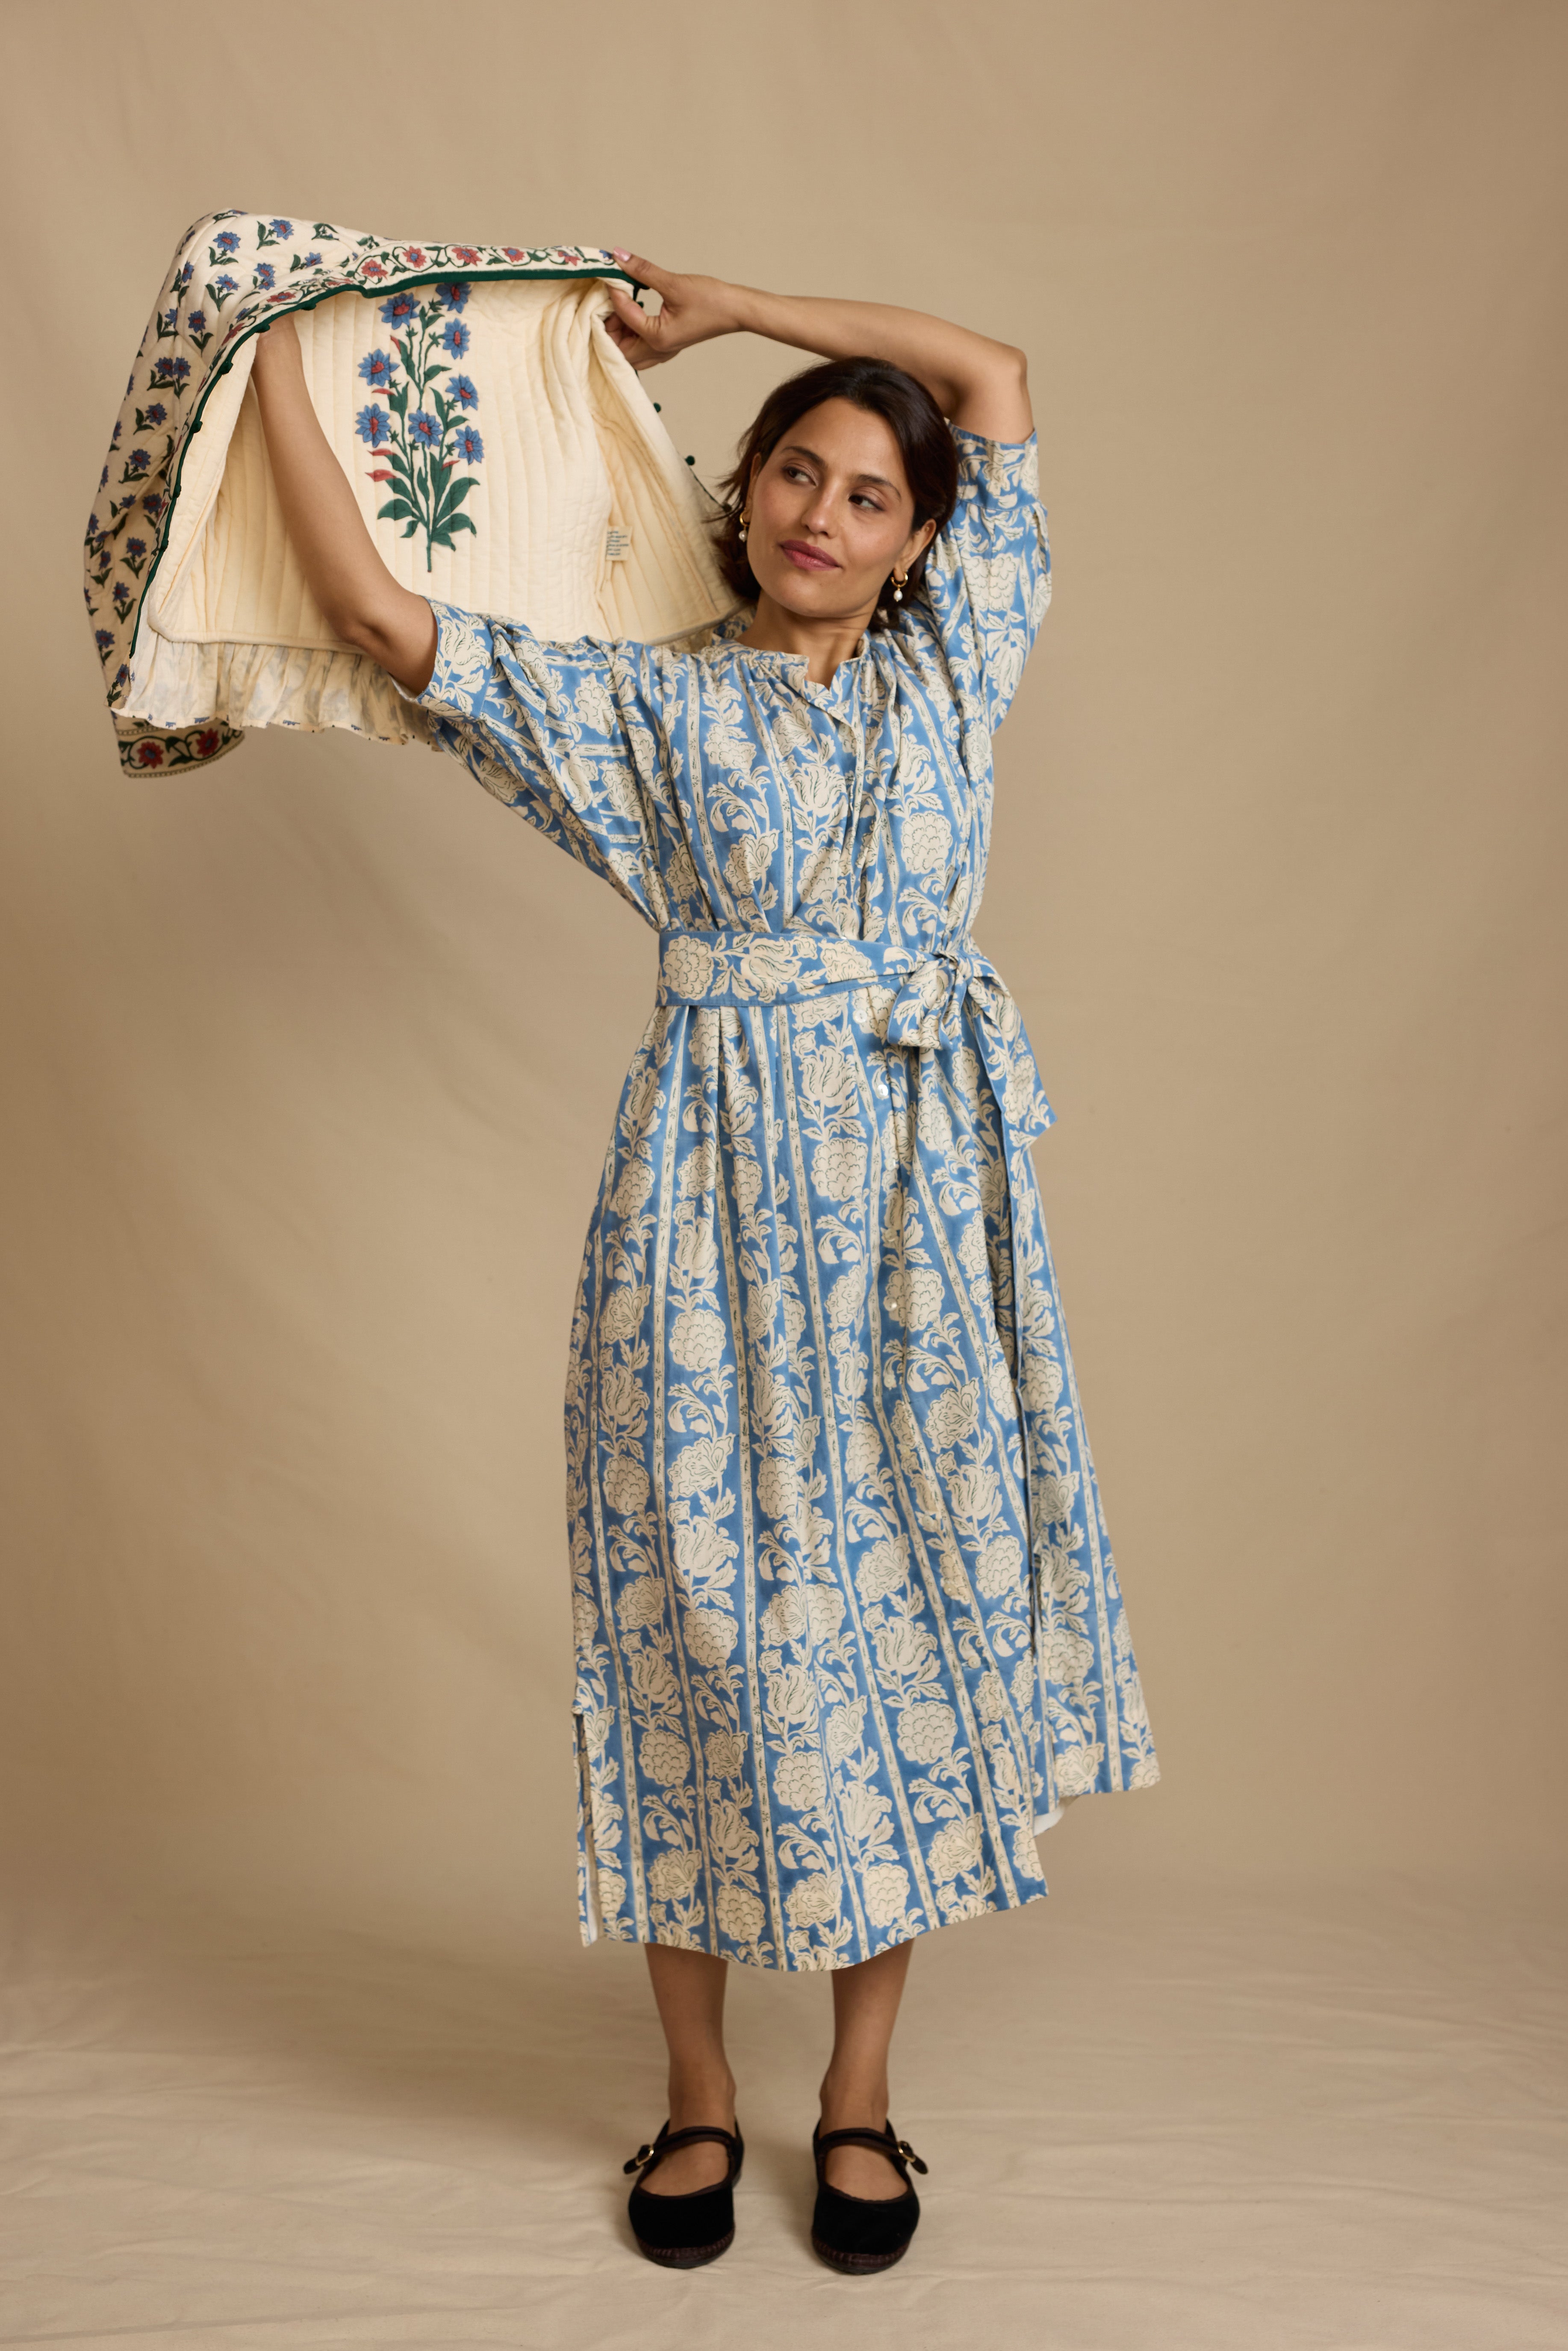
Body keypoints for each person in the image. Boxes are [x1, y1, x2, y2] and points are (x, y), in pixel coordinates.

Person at [250, 252, 1157, 2274]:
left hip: (918, 1226)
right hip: (706, 1213)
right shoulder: (650, 706)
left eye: (868, 495)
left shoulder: (956, 667)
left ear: (918, 544)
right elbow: (387, 619)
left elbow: (993, 366)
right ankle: (691, 2093)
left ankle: (857, 2097)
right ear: (741, 495)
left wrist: (736, 307)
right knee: (698, 1627)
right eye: (794, 474)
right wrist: (268, 374)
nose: (823, 514)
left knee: (892, 1631)